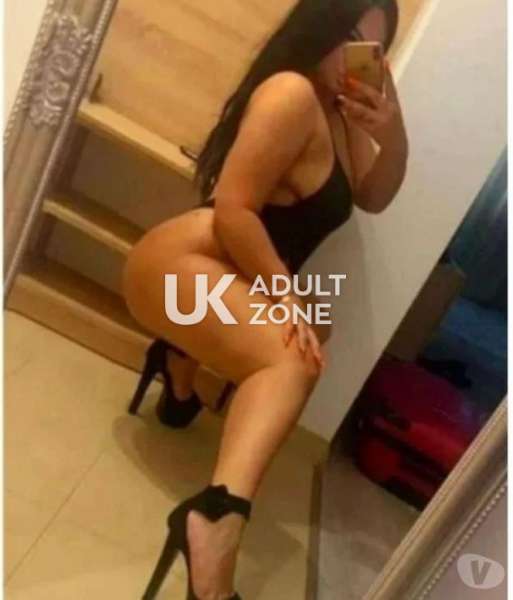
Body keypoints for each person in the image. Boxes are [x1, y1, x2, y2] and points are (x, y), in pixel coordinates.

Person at [122, 0, 408, 598]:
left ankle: (177, 369)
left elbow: (377, 197)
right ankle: (214, 522)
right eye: (347, 34)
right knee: (294, 357)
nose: (352, 56)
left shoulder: (338, 113)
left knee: (317, 328)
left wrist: (393, 132)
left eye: (371, 48)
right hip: (181, 265)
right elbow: (234, 209)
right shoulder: (291, 93)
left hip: (228, 274)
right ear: (320, 24)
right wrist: (285, 297)